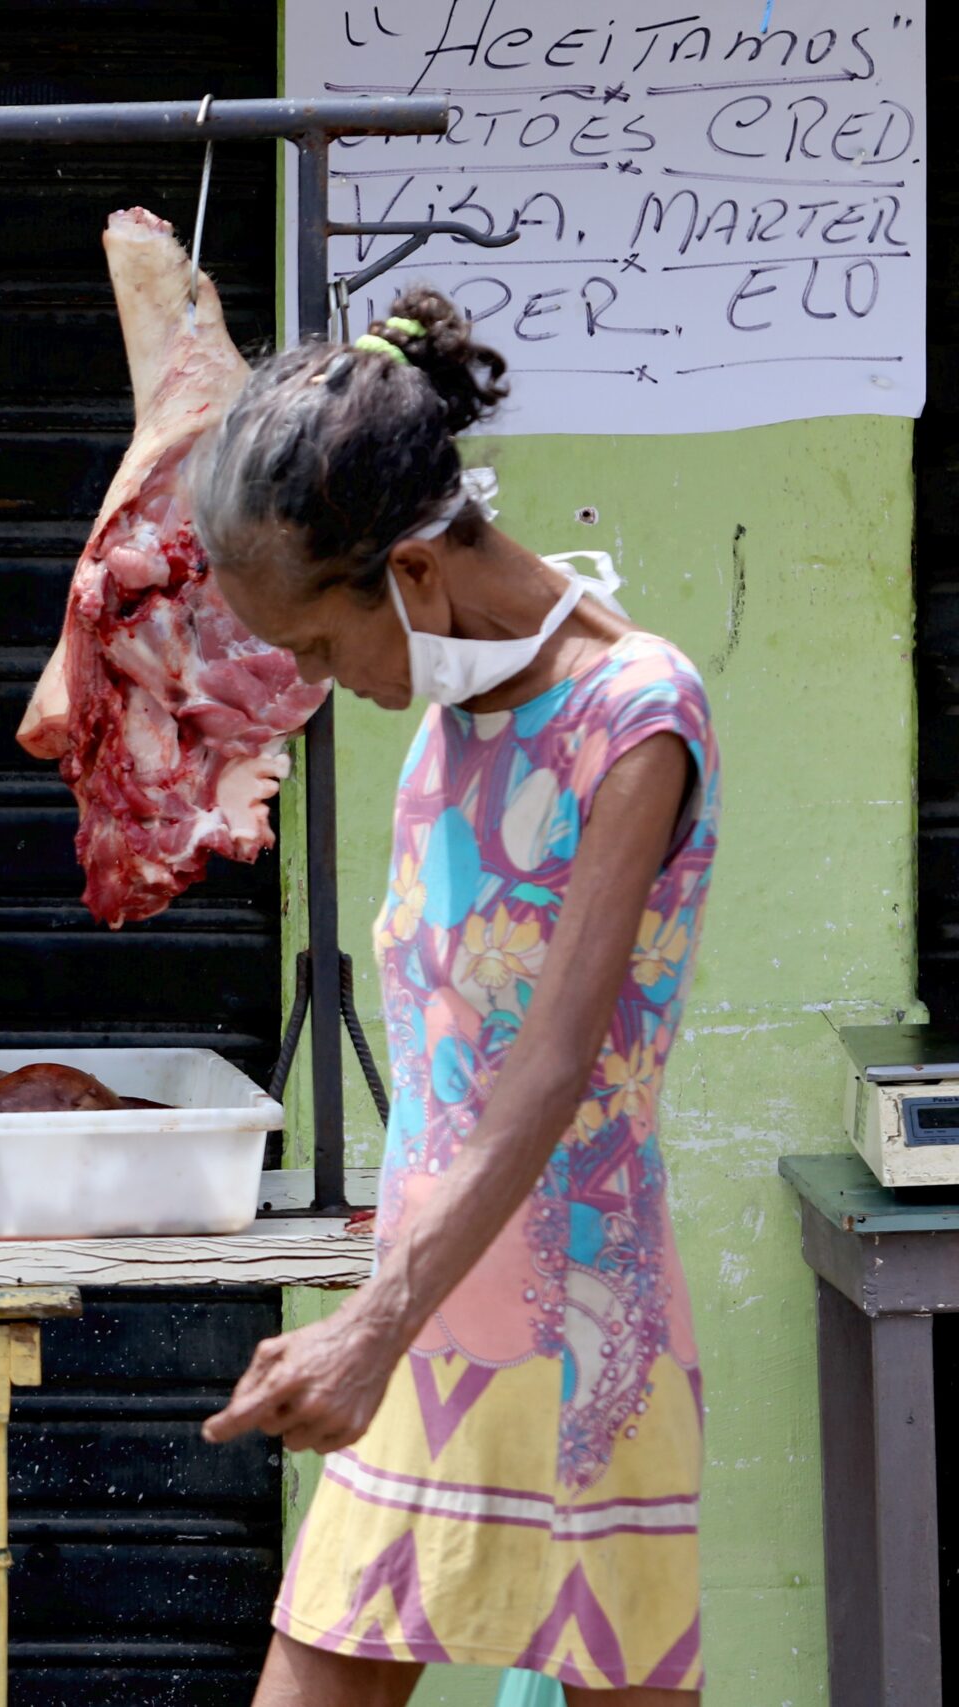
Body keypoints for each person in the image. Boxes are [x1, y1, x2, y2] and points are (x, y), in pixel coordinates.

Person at [187, 289, 719, 1705]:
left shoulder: (635, 717)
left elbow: (549, 1071)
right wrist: (387, 1317)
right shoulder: (456, 707)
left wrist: (373, 1323)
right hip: (425, 1325)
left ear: (413, 575)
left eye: (309, 647)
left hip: (583, 1331)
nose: (309, 685)